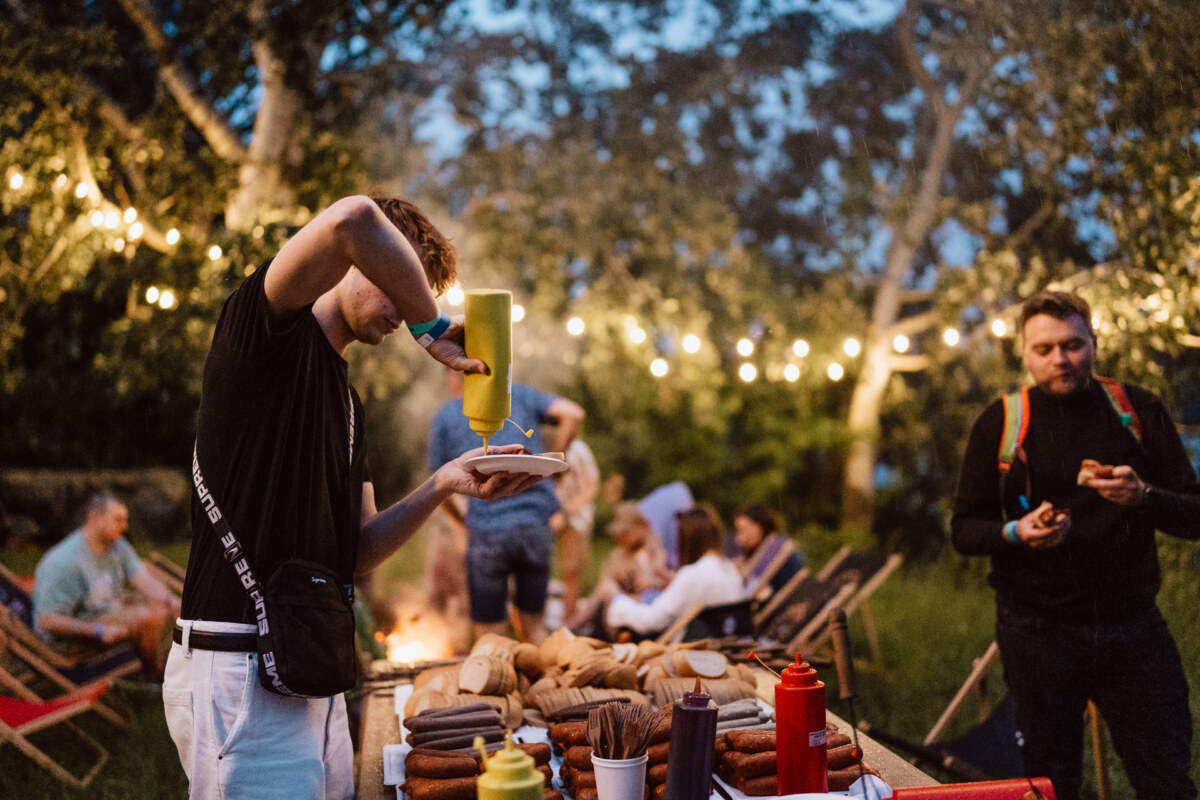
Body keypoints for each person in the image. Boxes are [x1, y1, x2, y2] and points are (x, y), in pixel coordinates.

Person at [167, 195, 542, 800]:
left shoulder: (347, 405)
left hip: (310, 664)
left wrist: (444, 482)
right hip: (237, 669)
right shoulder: (265, 329)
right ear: (355, 265)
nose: (407, 311)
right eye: (402, 283)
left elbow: (359, 550)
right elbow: (355, 221)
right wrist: (431, 327)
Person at [951, 290, 1199, 800]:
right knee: (1051, 783)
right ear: (1023, 352)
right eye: (1044, 349)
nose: (1060, 359)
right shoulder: (1000, 422)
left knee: (1167, 778)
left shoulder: (1138, 411)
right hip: (1037, 631)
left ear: (1094, 342)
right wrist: (1017, 531)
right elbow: (964, 529)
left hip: (1131, 626)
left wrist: (1143, 495)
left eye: (1072, 344)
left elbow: (1195, 516)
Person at [428, 367, 585, 646]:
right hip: (535, 527)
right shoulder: (520, 396)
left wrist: (461, 521)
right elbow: (573, 413)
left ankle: (498, 688)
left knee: (490, 636)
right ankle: (542, 690)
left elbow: (439, 485)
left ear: (455, 375)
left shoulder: (447, 416)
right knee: (534, 630)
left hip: (486, 531)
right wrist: (556, 466)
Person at [33, 491, 180, 675]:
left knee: (159, 604)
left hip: (105, 608)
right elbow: (46, 621)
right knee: (148, 616)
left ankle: (148, 663)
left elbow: (142, 579)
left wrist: (171, 600)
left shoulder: (116, 546)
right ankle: (155, 673)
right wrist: (98, 630)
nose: (124, 526)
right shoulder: (64, 562)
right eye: (118, 520)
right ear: (94, 517)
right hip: (73, 636)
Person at [604, 503, 743, 637]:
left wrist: (618, 599)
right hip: (724, 644)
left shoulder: (692, 574)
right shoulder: (728, 569)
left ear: (688, 540)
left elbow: (651, 620)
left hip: (694, 651)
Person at [567, 500, 671, 633]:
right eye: (619, 533)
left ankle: (575, 626)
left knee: (607, 591)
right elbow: (600, 591)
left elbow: (658, 594)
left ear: (644, 527)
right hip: (615, 611)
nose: (620, 537)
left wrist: (647, 575)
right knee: (605, 590)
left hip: (643, 613)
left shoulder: (657, 554)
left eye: (626, 532)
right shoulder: (617, 555)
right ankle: (574, 627)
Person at [550, 437, 599, 621]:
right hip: (549, 515)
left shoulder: (579, 450)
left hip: (577, 519)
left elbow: (591, 486)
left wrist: (565, 512)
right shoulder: (540, 442)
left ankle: (568, 622)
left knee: (571, 571)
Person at [732, 503, 805, 597]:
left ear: (758, 528)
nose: (739, 538)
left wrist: (769, 594)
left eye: (742, 530)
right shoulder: (756, 553)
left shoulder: (782, 550)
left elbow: (795, 590)